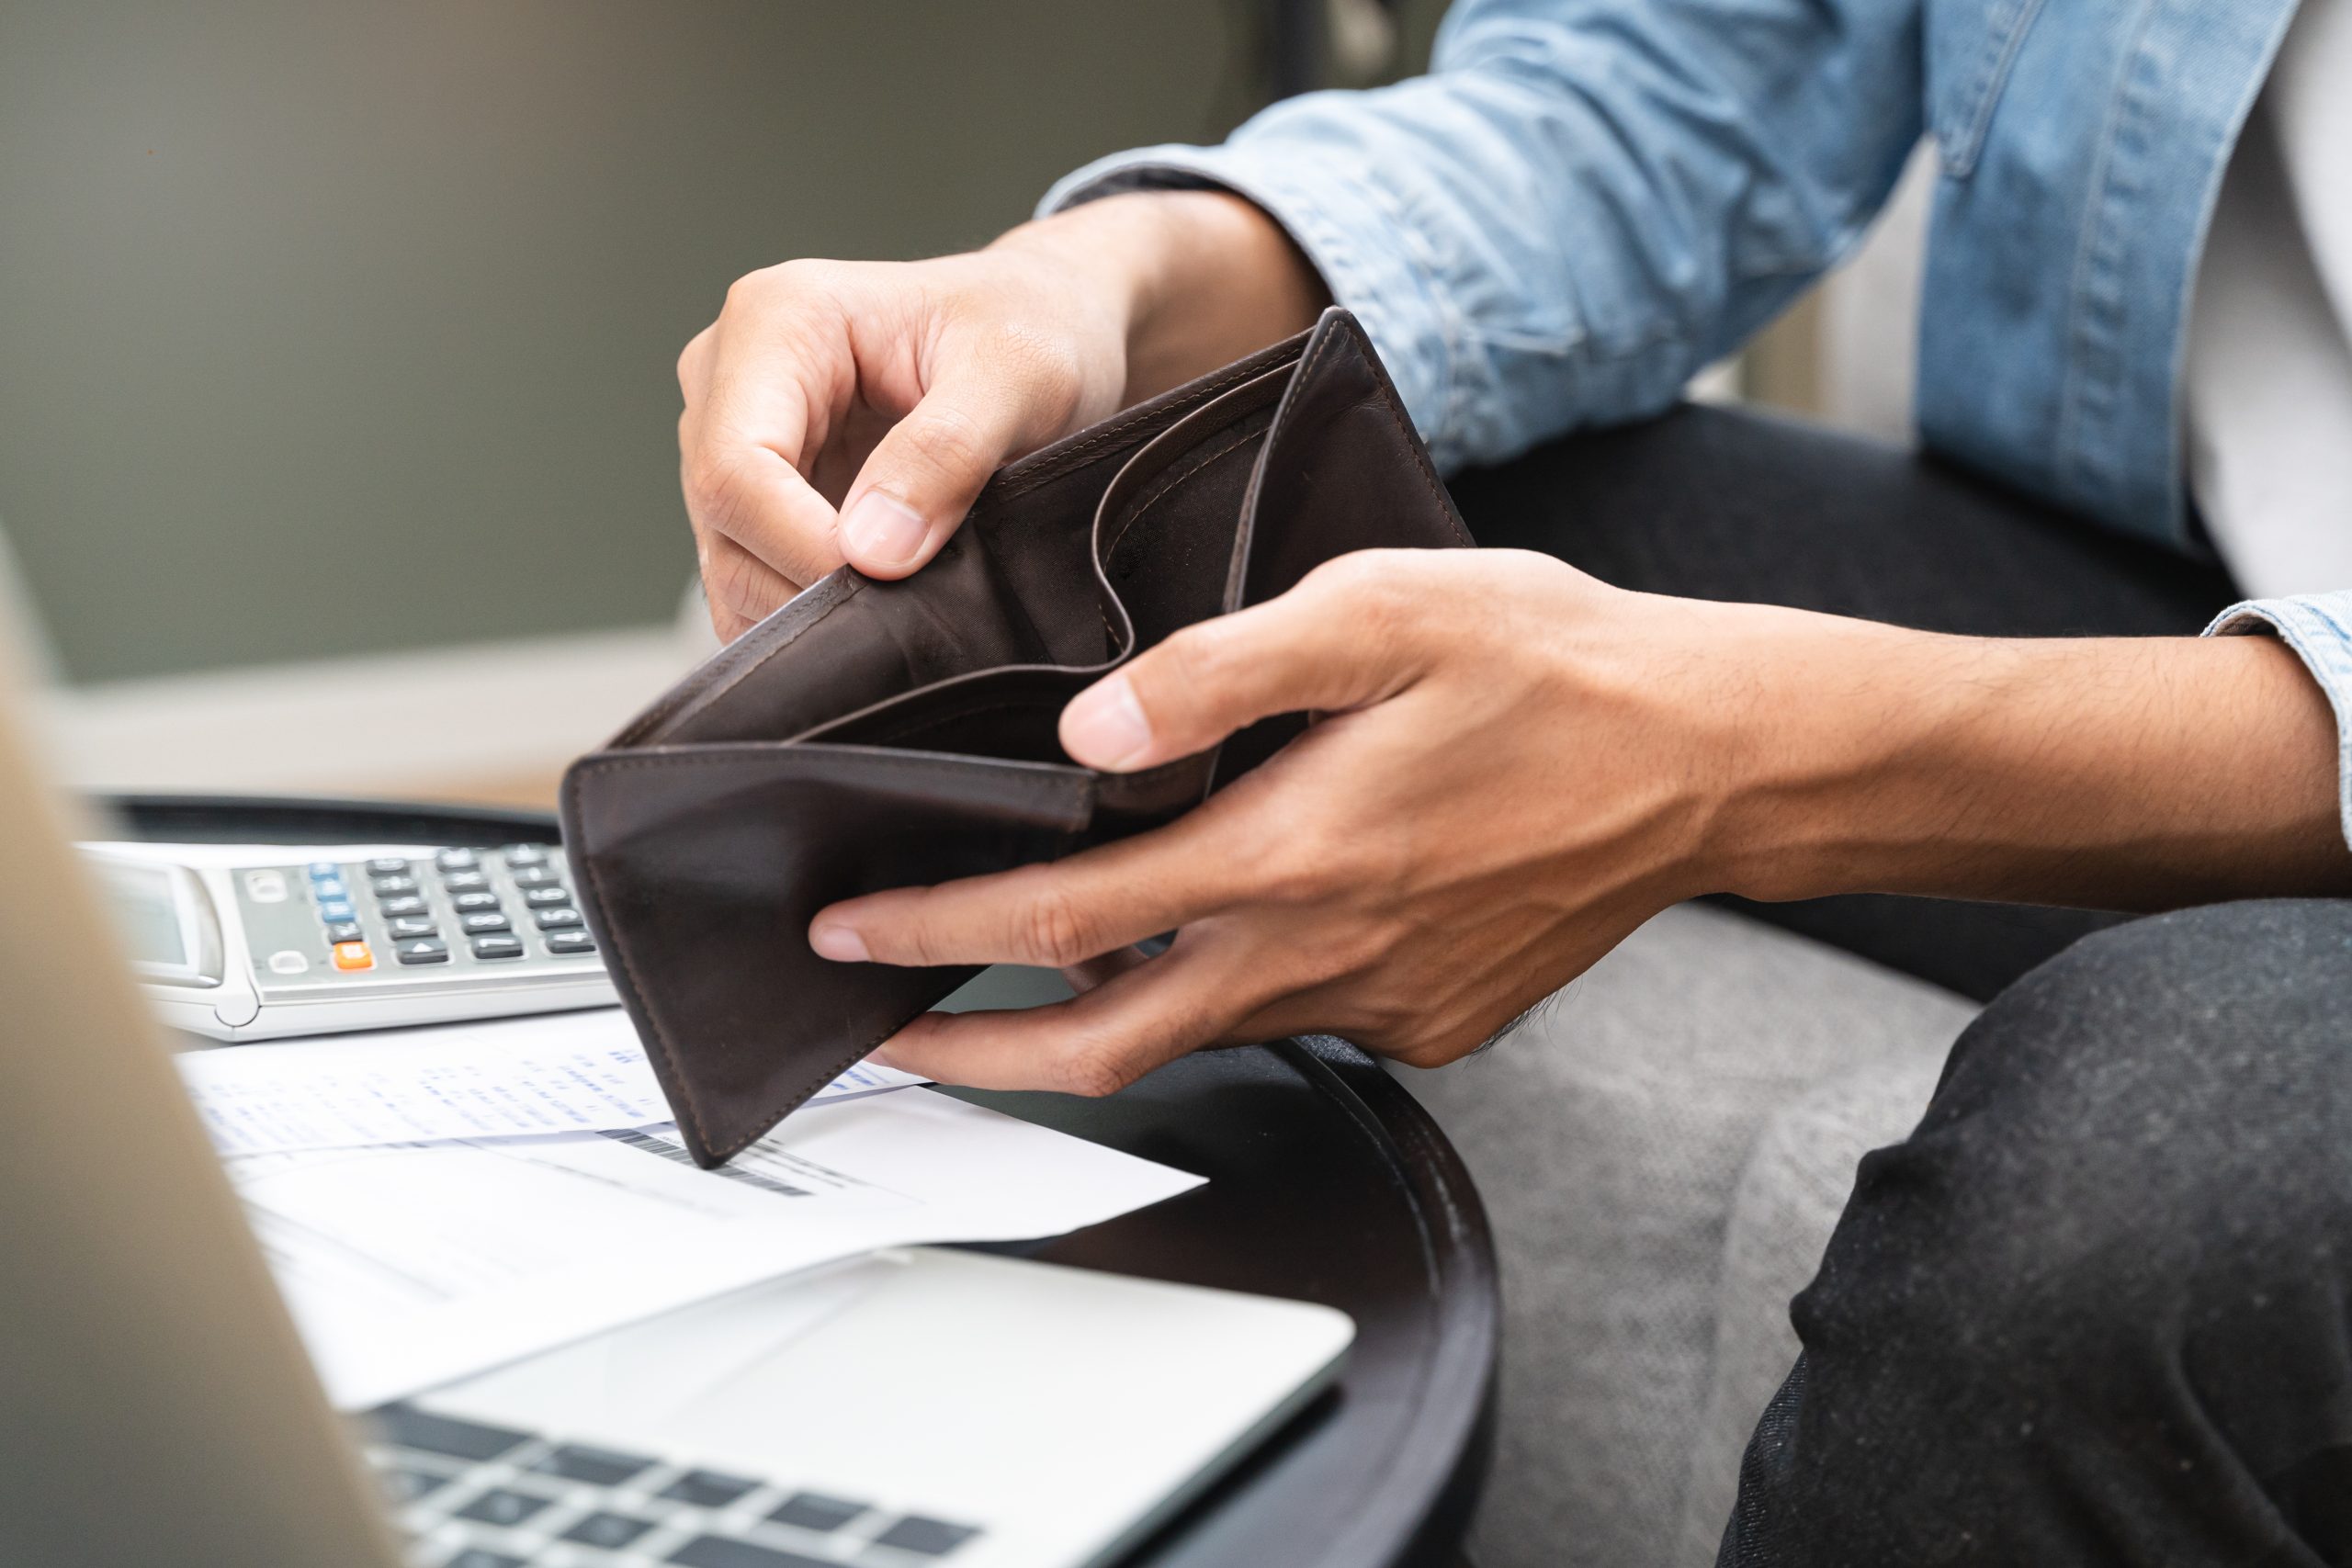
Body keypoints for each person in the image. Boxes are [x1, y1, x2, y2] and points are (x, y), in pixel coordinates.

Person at [673, 1, 2352, 1563]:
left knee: (2123, 1186)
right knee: (1198, 522)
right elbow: (1667, 84)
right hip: (2199, 567)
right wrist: (1108, 280)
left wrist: (1749, 759)